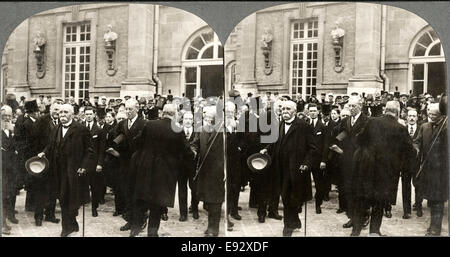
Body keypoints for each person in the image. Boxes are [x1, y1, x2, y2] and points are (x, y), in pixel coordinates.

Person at [350, 101, 415, 236]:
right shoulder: (400, 128)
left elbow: (359, 140)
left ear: (386, 110)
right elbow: (410, 151)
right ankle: (374, 231)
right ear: (397, 112)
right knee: (379, 202)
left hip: (367, 169)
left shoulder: (372, 121)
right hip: (387, 172)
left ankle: (355, 232)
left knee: (362, 200)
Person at [130, 104, 193, 237]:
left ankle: (134, 230)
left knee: (141, 201)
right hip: (165, 173)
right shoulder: (177, 129)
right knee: (157, 205)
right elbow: (187, 152)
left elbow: (137, 142)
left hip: (145, 169)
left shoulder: (150, 124)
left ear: (162, 113)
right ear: (174, 114)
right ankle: (152, 233)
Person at [260, 100, 317, 237]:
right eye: (282, 108)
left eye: (287, 109)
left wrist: (306, 164)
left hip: (296, 169)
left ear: (295, 111)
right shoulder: (279, 124)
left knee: (291, 198)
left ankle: (288, 227)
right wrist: (266, 150)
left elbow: (313, 149)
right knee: (287, 198)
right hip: (280, 169)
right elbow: (276, 142)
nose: (284, 111)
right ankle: (294, 221)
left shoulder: (304, 126)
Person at [38, 104, 94, 237]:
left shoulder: (81, 129)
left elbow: (90, 151)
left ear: (72, 114)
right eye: (60, 112)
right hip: (57, 170)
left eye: (65, 112)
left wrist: (84, 166)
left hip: (73, 171)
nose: (62, 114)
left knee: (71, 200)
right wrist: (44, 152)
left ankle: (67, 227)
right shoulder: (56, 128)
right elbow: (51, 145)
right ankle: (71, 225)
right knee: (63, 199)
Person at [333, 96, 369, 229]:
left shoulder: (367, 121)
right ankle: (352, 217)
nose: (351, 108)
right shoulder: (346, 120)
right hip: (347, 160)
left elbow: (367, 140)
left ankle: (363, 216)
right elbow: (342, 134)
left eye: (353, 106)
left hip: (360, 160)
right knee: (348, 190)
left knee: (359, 190)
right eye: (349, 106)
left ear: (360, 106)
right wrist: (336, 142)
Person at [413, 103, 448, 236]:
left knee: (437, 200)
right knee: (432, 200)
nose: (432, 117)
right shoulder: (424, 126)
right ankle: (433, 226)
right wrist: (415, 149)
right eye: (430, 114)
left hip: (441, 171)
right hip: (428, 169)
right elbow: (417, 141)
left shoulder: (446, 126)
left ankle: (435, 230)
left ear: (441, 115)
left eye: (435, 115)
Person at [114, 99, 147, 232]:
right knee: (126, 192)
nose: (127, 112)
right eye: (126, 109)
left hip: (138, 164)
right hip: (124, 163)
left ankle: (138, 223)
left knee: (137, 194)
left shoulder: (144, 124)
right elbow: (115, 138)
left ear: (137, 109)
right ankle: (129, 220)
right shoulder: (122, 124)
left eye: (130, 109)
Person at [196, 106, 225, 237]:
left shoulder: (222, 131)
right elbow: (195, 144)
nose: (205, 116)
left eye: (207, 114)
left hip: (217, 172)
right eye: (205, 114)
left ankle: (214, 229)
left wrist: (226, 171)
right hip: (205, 172)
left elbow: (227, 154)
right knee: (208, 201)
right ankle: (210, 227)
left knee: (216, 202)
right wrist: (192, 151)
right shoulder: (201, 129)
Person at [33, 102, 62, 224]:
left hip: (55, 163)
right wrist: (38, 156)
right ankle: (38, 217)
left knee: (53, 190)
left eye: (59, 111)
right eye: (55, 109)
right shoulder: (41, 121)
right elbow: (33, 140)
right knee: (41, 190)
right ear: (50, 109)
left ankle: (50, 214)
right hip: (42, 160)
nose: (57, 112)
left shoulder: (61, 122)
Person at [83, 106, 106, 217]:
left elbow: (102, 149)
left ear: (94, 115)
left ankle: (94, 207)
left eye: (90, 114)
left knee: (95, 187)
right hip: (83, 162)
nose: (88, 116)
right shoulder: (80, 127)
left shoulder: (99, 130)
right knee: (81, 185)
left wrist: (100, 163)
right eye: (86, 114)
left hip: (94, 163)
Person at [401, 109, 424, 219]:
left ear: (417, 117)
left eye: (414, 116)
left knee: (418, 186)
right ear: (406, 117)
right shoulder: (402, 129)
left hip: (417, 163)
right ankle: (407, 211)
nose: (411, 118)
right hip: (404, 164)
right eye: (409, 116)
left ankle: (419, 207)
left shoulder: (421, 129)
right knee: (406, 187)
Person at [307, 104, 328, 214]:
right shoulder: (304, 124)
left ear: (318, 112)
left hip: (318, 160)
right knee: (302, 183)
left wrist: (324, 160)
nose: (313, 113)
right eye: (311, 111)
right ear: (308, 112)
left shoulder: (322, 126)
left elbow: (326, 145)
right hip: (306, 159)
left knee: (319, 184)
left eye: (314, 111)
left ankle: (318, 204)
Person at [2, 105, 18, 235]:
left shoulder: (12, 129)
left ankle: (9, 215)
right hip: (2, 168)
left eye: (9, 116)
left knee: (10, 192)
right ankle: (3, 224)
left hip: (12, 167)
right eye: (4, 116)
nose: (7, 118)